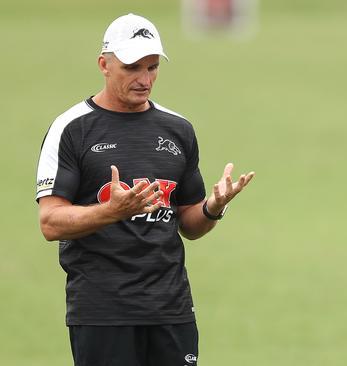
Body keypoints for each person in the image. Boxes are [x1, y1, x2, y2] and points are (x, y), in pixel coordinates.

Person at [35, 13, 254, 366]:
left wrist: (214, 207)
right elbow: (50, 222)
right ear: (104, 65)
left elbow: (189, 224)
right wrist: (111, 212)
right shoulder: (71, 129)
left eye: (152, 67)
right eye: (132, 67)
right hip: (102, 313)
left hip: (171, 309)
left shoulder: (177, 129)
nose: (144, 79)